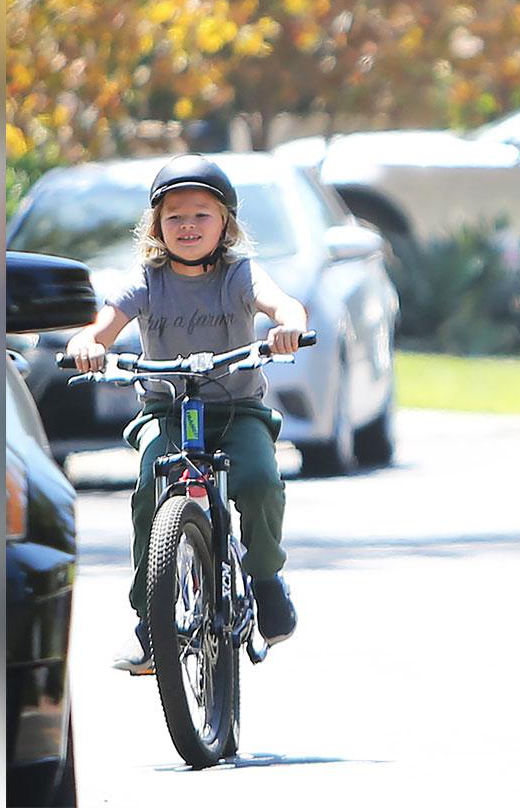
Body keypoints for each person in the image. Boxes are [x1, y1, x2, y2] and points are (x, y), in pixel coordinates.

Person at [66, 154, 308, 673]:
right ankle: (150, 625)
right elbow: (104, 324)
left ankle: (265, 580)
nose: (188, 225)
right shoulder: (147, 279)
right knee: (149, 492)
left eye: (202, 214)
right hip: (168, 412)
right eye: (174, 216)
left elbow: (281, 303)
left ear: (226, 223)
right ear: (156, 226)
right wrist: (88, 341)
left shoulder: (239, 274)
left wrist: (286, 325)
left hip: (236, 408)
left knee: (261, 480)